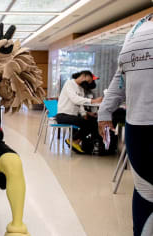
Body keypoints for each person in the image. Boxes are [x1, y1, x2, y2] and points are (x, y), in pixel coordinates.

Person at [98, 14, 153, 236]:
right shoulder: (137, 28)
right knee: (145, 192)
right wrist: (105, 110)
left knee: (146, 193)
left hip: (139, 127)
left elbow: (120, 75)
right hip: (138, 128)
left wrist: (105, 109)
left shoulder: (137, 29)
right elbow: (121, 75)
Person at [55, 70, 103, 153]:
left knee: (93, 121)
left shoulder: (81, 88)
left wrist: (86, 114)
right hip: (63, 115)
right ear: (83, 76)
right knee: (89, 124)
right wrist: (93, 101)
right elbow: (75, 99)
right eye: (88, 81)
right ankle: (74, 140)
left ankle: (92, 145)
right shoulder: (69, 84)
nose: (88, 83)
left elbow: (80, 105)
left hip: (73, 116)